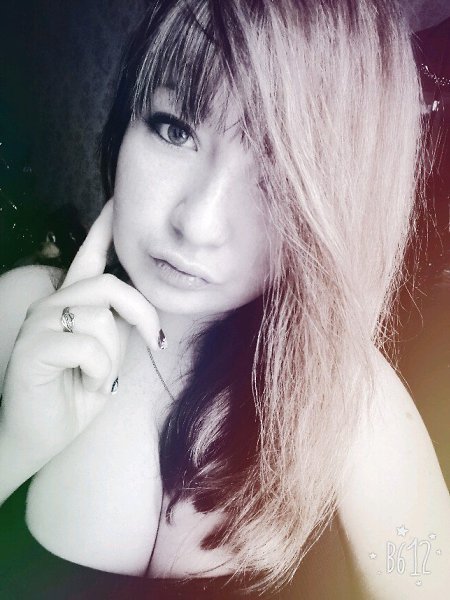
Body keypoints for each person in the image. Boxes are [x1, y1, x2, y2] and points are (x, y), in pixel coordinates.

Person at [0, 1, 449, 598]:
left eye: (279, 171)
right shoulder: (24, 312)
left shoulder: (354, 401)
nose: (198, 223)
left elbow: (424, 575)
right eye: (175, 129)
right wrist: (14, 446)